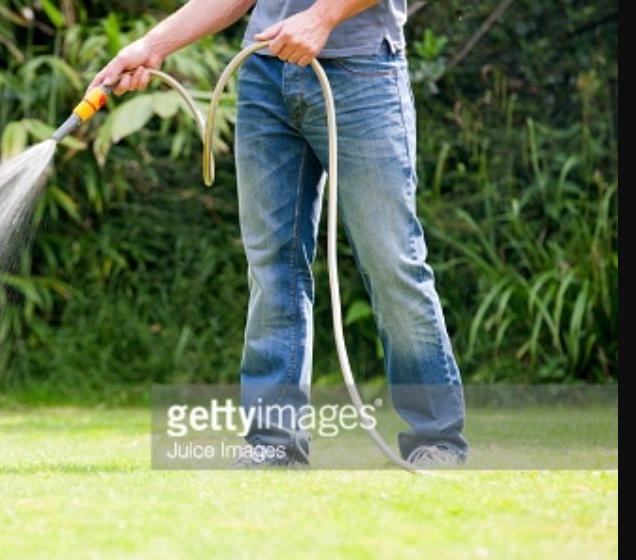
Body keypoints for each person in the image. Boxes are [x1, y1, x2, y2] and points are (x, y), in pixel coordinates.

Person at [94, 0, 468, 467]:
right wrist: (151, 46)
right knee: (273, 270)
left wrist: (323, 16)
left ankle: (437, 439)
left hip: (363, 72)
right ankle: (274, 444)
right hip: (264, 77)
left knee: (392, 262)